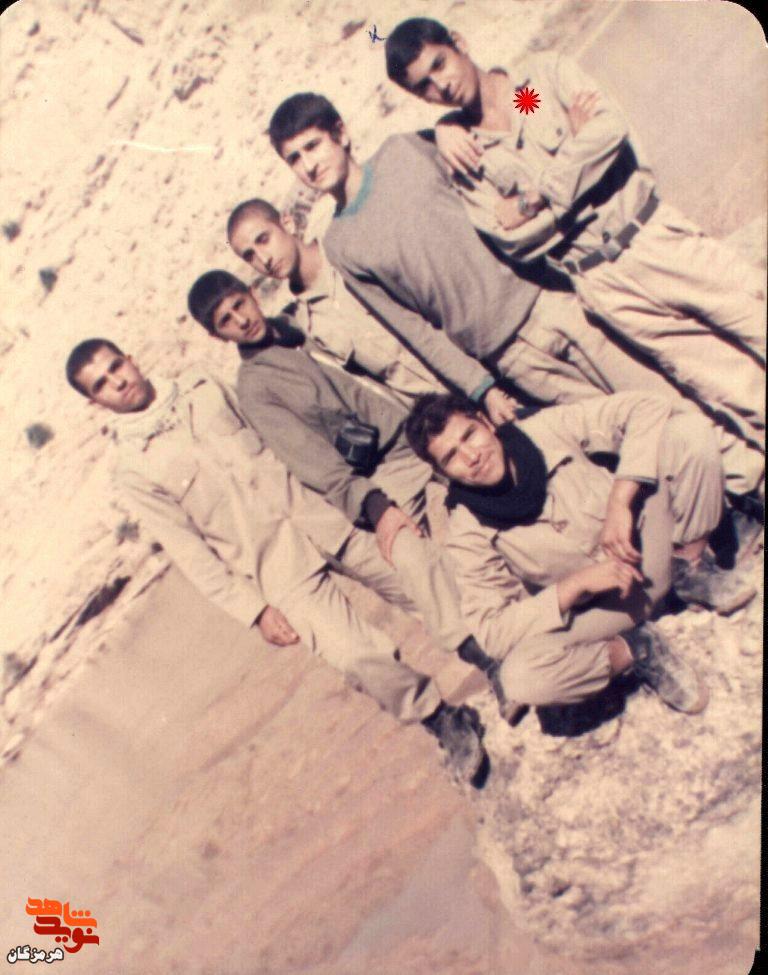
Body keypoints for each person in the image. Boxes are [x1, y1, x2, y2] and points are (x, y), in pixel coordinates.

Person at [266, 90, 763, 500]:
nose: (309, 165)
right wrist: (480, 386)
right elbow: (413, 329)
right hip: (511, 358)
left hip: (555, 299)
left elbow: (495, 125)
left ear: (341, 133)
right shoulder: (341, 245)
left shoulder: (404, 151)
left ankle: (752, 479)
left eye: (313, 146)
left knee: (666, 394)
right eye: (295, 159)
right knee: (624, 431)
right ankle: (720, 505)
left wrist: (452, 124)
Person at [64, 338, 489, 785]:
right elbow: (191, 553)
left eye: (116, 366)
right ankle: (443, 720)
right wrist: (254, 611)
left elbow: (278, 430)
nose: (117, 382)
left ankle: (492, 656)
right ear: (95, 402)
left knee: (423, 581)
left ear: (131, 359)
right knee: (354, 657)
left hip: (323, 511)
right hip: (275, 567)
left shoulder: (202, 385)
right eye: (102, 384)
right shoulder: (133, 472)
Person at [385, 17, 766, 487]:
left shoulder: (531, 90)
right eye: (424, 87)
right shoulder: (469, 156)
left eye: (439, 65)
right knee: (730, 384)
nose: (440, 85)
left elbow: (607, 130)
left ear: (459, 44)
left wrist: (535, 197)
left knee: (756, 319)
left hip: (652, 237)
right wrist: (576, 161)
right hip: (602, 281)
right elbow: (513, 239)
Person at [186, 269, 514, 715]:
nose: (241, 320)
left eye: (239, 304)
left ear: (251, 294)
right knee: (412, 558)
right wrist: (376, 507)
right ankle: (490, 657)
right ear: (218, 336)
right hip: (387, 468)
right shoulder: (256, 388)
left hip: (429, 425)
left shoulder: (300, 327)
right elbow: (314, 463)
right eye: (226, 320)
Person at [404, 390, 757, 714]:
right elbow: (492, 631)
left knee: (688, 432)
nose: (471, 456)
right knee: (521, 678)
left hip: (654, 547)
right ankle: (638, 649)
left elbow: (647, 405)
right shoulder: (465, 529)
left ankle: (690, 567)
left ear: (486, 423)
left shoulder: (543, 429)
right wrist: (572, 588)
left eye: (469, 435)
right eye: (451, 457)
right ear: (442, 472)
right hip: (608, 609)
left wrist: (621, 497)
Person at [226, 197, 445, 407]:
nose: (264, 259)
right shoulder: (307, 325)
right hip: (441, 409)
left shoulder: (347, 250)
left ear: (287, 223)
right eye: (250, 256)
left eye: (264, 240)